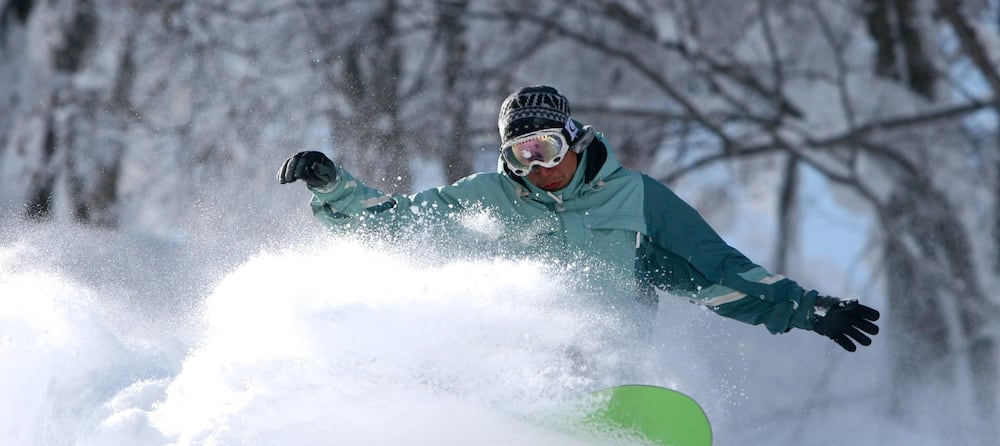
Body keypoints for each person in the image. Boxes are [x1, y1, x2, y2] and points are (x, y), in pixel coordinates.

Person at [277, 85, 879, 352]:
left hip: (613, 348)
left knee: (677, 274)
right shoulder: (490, 195)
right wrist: (334, 187)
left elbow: (718, 271)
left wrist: (805, 309)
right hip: (516, 349)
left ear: (573, 139)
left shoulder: (637, 198)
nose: (537, 166)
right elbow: (402, 225)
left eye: (545, 147)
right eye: (521, 154)